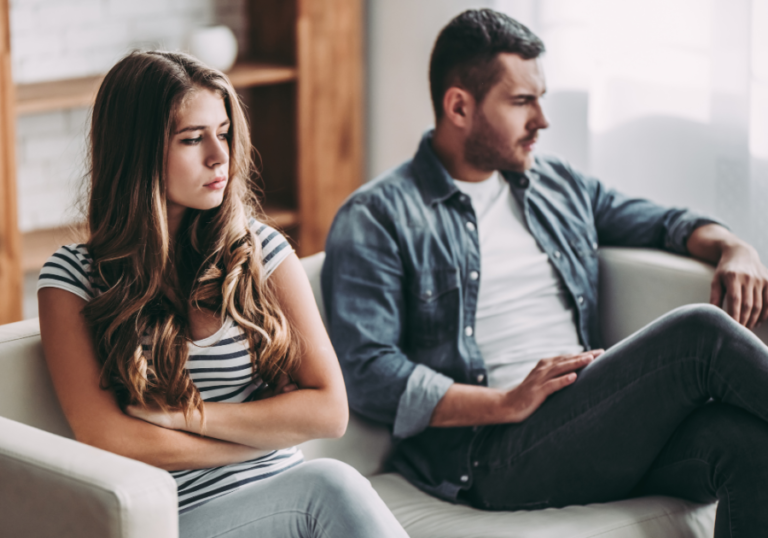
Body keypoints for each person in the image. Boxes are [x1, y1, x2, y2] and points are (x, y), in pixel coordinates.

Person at [322, 8, 768, 537]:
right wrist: (506, 403)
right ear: (459, 106)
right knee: (700, 335)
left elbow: (664, 224)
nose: (543, 119)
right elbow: (369, 373)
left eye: (541, 98)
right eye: (521, 102)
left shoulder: (555, 183)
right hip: (492, 451)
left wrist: (734, 245)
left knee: (746, 448)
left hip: (587, 421)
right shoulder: (378, 216)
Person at [37, 51, 408, 538]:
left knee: (325, 488)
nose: (220, 156)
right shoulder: (72, 279)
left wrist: (183, 416)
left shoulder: (262, 250)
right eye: (192, 139)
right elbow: (108, 437)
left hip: (288, 497)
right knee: (330, 483)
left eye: (224, 133)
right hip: (182, 516)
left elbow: (329, 410)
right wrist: (259, 436)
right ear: (137, 151)